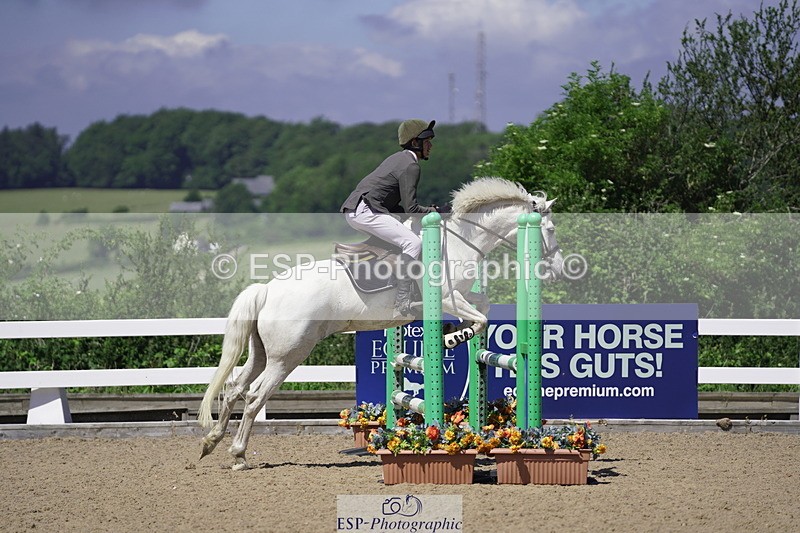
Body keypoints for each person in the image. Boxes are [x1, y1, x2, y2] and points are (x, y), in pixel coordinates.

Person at [340, 119, 444, 318]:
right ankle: (403, 297)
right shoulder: (411, 165)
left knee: (406, 235)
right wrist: (437, 210)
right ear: (415, 142)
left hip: (359, 209)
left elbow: (402, 208)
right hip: (365, 210)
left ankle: (391, 284)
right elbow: (411, 208)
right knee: (413, 243)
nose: (431, 145)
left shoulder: (398, 158)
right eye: (427, 141)